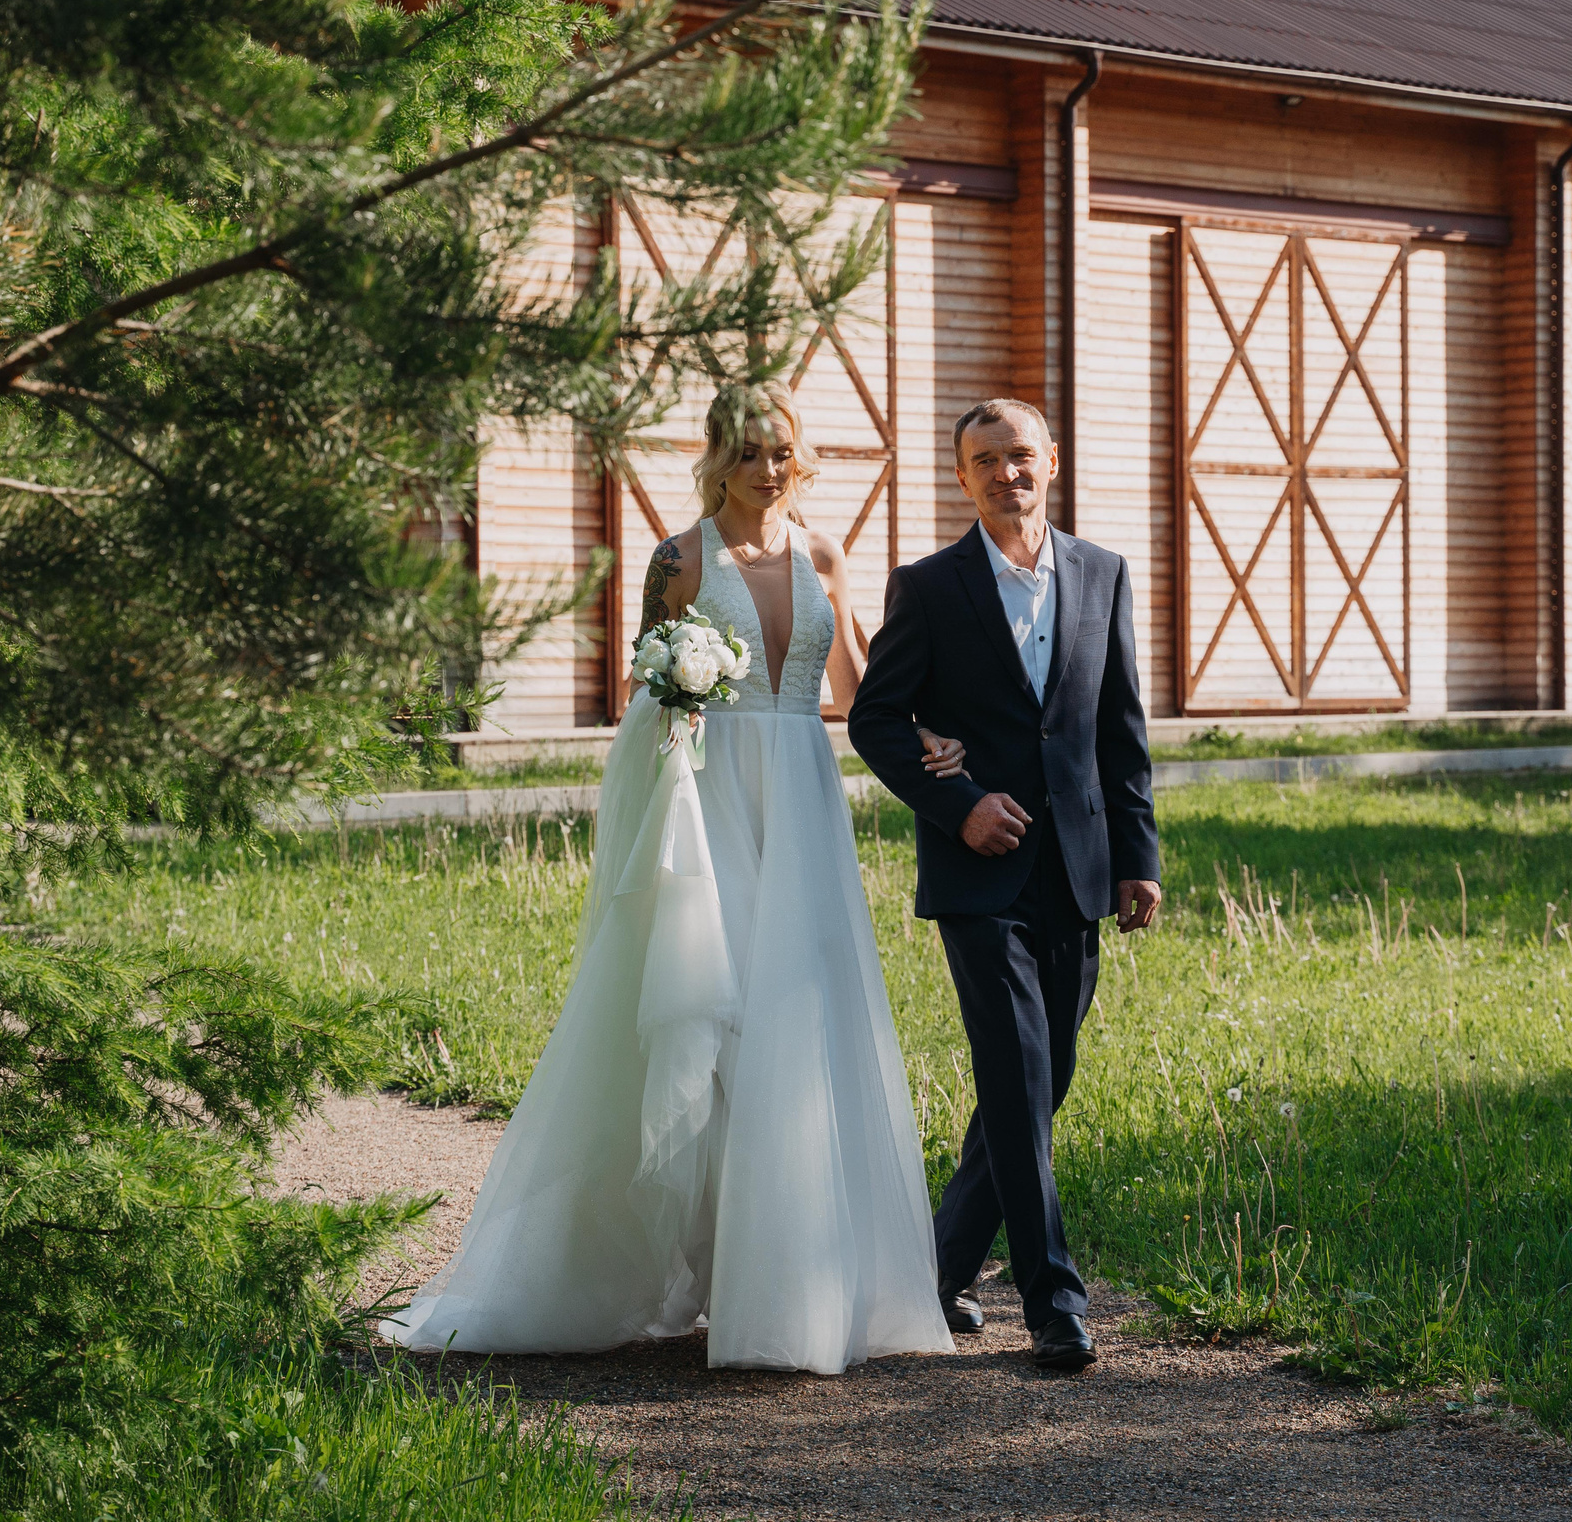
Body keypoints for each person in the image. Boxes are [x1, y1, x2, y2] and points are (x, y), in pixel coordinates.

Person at [383, 381, 955, 1374]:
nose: (766, 470)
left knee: (802, 1015)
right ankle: (694, 1260)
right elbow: (642, 697)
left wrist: (932, 741)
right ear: (716, 456)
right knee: (718, 1017)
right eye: (746, 452)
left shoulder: (823, 554)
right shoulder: (678, 558)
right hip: (715, 799)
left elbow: (861, 689)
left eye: (780, 451)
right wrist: (676, 742)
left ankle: (788, 1280)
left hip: (806, 808)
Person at [847, 397, 1162, 1374]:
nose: (1005, 474)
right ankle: (1053, 1301)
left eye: (1019, 456)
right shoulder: (929, 587)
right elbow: (879, 722)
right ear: (961, 477)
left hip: (1075, 871)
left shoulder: (1102, 574)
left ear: (1051, 461)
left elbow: (1119, 727)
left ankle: (934, 1270)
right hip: (976, 878)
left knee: (1044, 1077)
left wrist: (1137, 857)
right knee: (1018, 1077)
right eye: (984, 461)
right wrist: (961, 803)